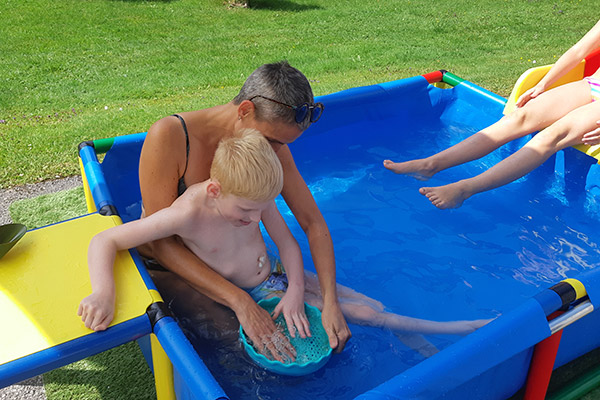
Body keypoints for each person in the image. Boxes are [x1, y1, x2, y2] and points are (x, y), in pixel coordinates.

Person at [78, 130, 490, 361]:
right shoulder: (187, 214)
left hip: (278, 274)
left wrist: (295, 290)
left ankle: (417, 338)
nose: (255, 220)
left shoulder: (253, 197)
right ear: (216, 189)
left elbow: (289, 245)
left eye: (261, 211)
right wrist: (103, 291)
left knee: (361, 302)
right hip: (257, 293)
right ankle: (456, 332)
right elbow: (106, 237)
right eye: (245, 213)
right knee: (365, 314)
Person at [136, 61, 351, 353]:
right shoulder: (170, 137)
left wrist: (331, 304)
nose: (276, 153)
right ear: (245, 110)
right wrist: (239, 300)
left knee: (351, 308)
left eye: (283, 144)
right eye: (273, 140)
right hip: (170, 268)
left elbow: (312, 223)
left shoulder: (270, 146)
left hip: (236, 266)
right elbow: (161, 244)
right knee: (246, 340)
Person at [383, 19, 600, 209]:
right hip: (593, 84)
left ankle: (465, 189)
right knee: (520, 117)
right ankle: (431, 165)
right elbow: (579, 51)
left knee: (551, 137)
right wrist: (543, 84)